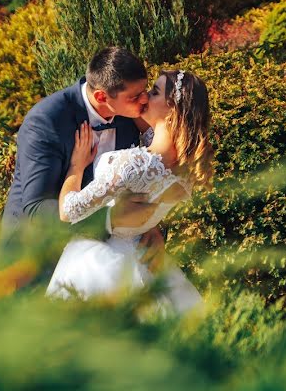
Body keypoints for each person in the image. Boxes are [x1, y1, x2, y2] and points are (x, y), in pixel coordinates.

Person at [46, 69, 213, 314]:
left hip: (100, 262)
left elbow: (68, 211)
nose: (144, 97)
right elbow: (154, 136)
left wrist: (76, 166)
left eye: (154, 92)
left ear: (171, 111)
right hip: (145, 259)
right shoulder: (186, 170)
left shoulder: (132, 164)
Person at [0, 47, 164, 264]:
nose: (144, 99)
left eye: (145, 90)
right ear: (101, 96)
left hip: (103, 255)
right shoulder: (46, 121)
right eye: (135, 96)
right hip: (36, 254)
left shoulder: (127, 115)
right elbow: (37, 208)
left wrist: (145, 225)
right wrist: (111, 220)